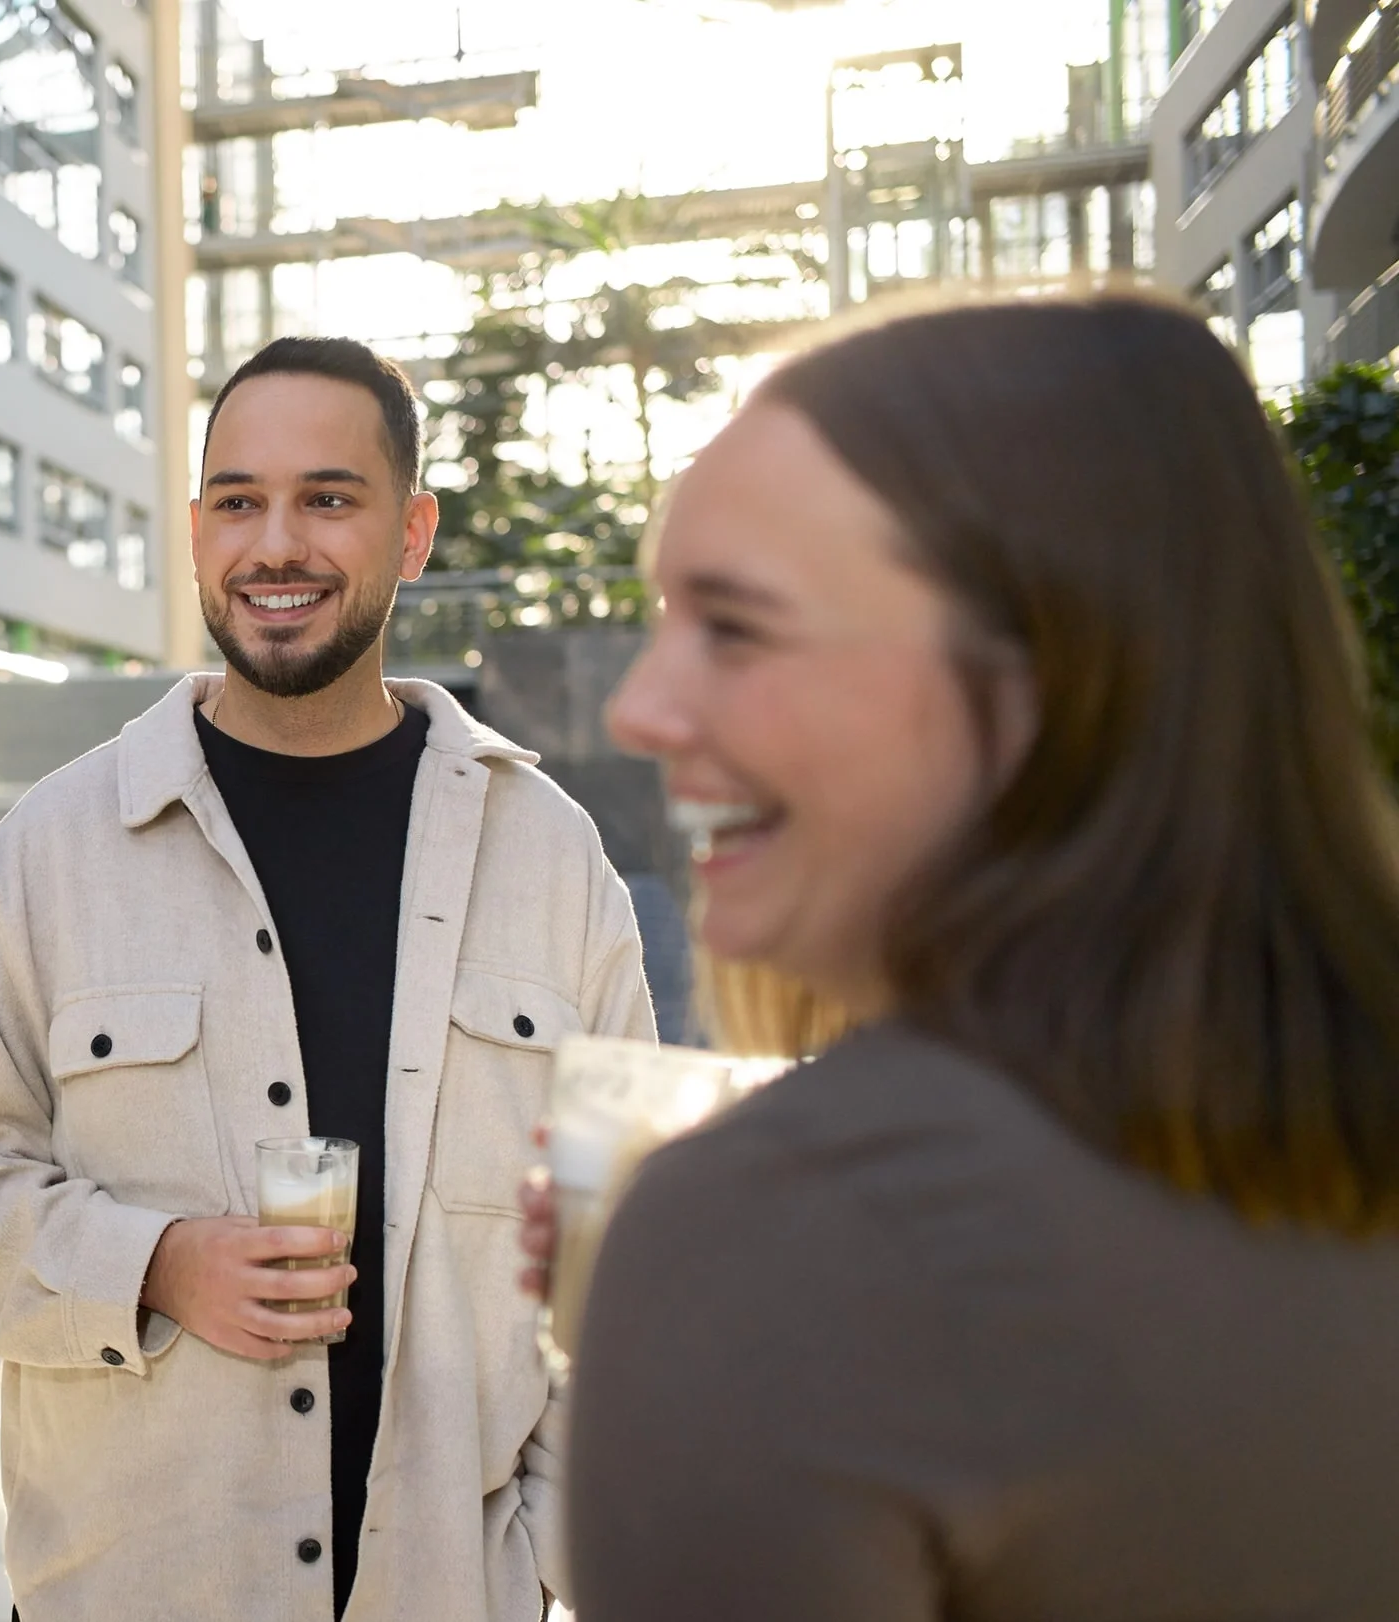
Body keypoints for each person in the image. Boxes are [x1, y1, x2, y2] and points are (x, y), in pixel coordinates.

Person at [567, 293, 1399, 1617]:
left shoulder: (786, 1235)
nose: (641, 706)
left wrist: (701, 1293)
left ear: (1047, 672)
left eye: (737, 625)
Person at [0, 335, 657, 1622]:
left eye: (327, 500)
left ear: (411, 534)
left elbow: (621, 1246)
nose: (275, 543)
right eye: (238, 501)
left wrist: (551, 1557)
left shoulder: (552, 857)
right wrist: (154, 1262)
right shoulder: (52, 851)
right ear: (194, 533)